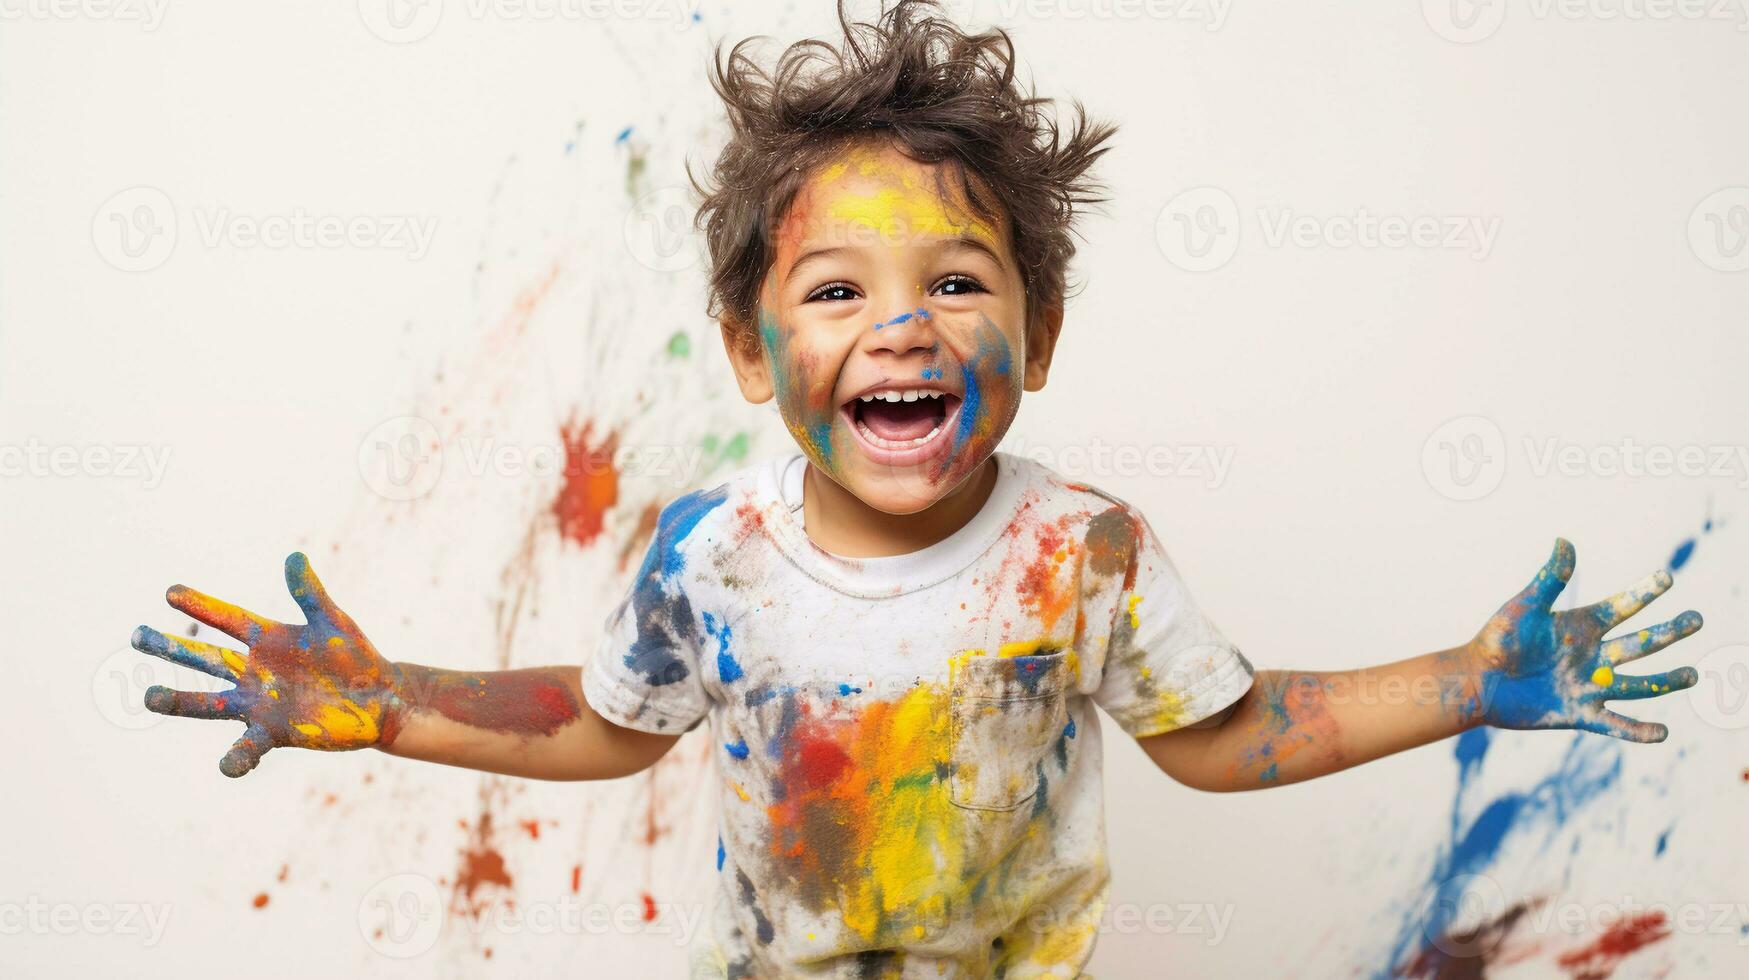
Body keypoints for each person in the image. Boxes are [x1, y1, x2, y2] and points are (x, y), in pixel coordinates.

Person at [128, 3, 1703, 976]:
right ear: (751, 355)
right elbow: (614, 725)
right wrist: (390, 699)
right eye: (832, 292)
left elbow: (1219, 738)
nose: (899, 323)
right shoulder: (713, 558)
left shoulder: (1081, 552)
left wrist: (1466, 679)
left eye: (955, 280)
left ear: (1040, 330)